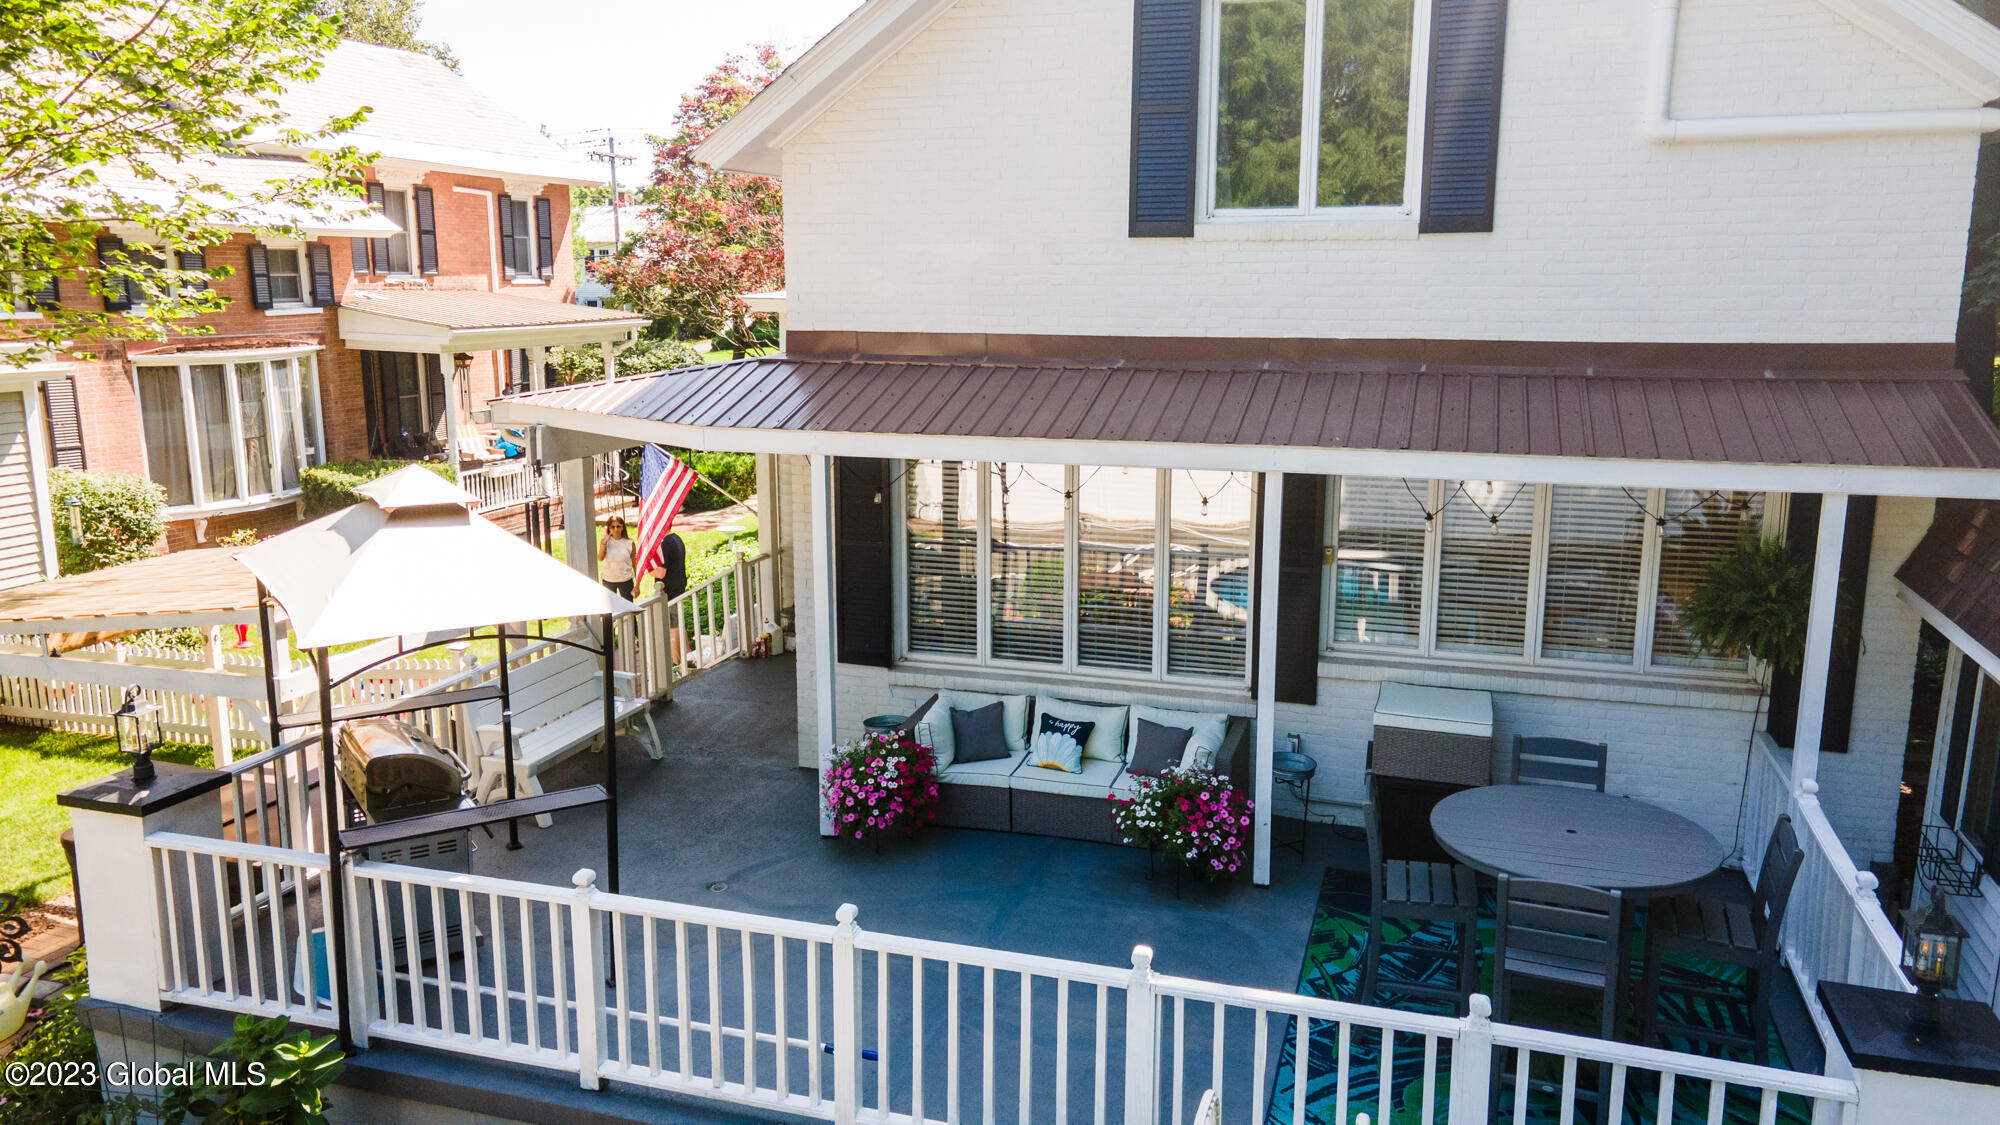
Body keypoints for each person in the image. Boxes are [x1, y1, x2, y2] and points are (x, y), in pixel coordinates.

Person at [650, 531, 688, 662]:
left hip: (670, 591)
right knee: (679, 624)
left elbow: (660, 573)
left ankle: (677, 662)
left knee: (673, 627)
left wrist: (646, 569)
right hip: (679, 587)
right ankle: (687, 655)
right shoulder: (677, 538)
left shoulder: (666, 544)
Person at [599, 516, 637, 600]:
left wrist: (638, 585)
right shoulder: (605, 542)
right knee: (607, 611)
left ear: (622, 527)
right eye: (613, 527)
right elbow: (600, 558)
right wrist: (604, 543)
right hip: (608, 581)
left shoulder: (629, 543)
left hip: (625, 581)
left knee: (629, 610)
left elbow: (634, 563)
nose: (615, 529)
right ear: (609, 528)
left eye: (618, 526)